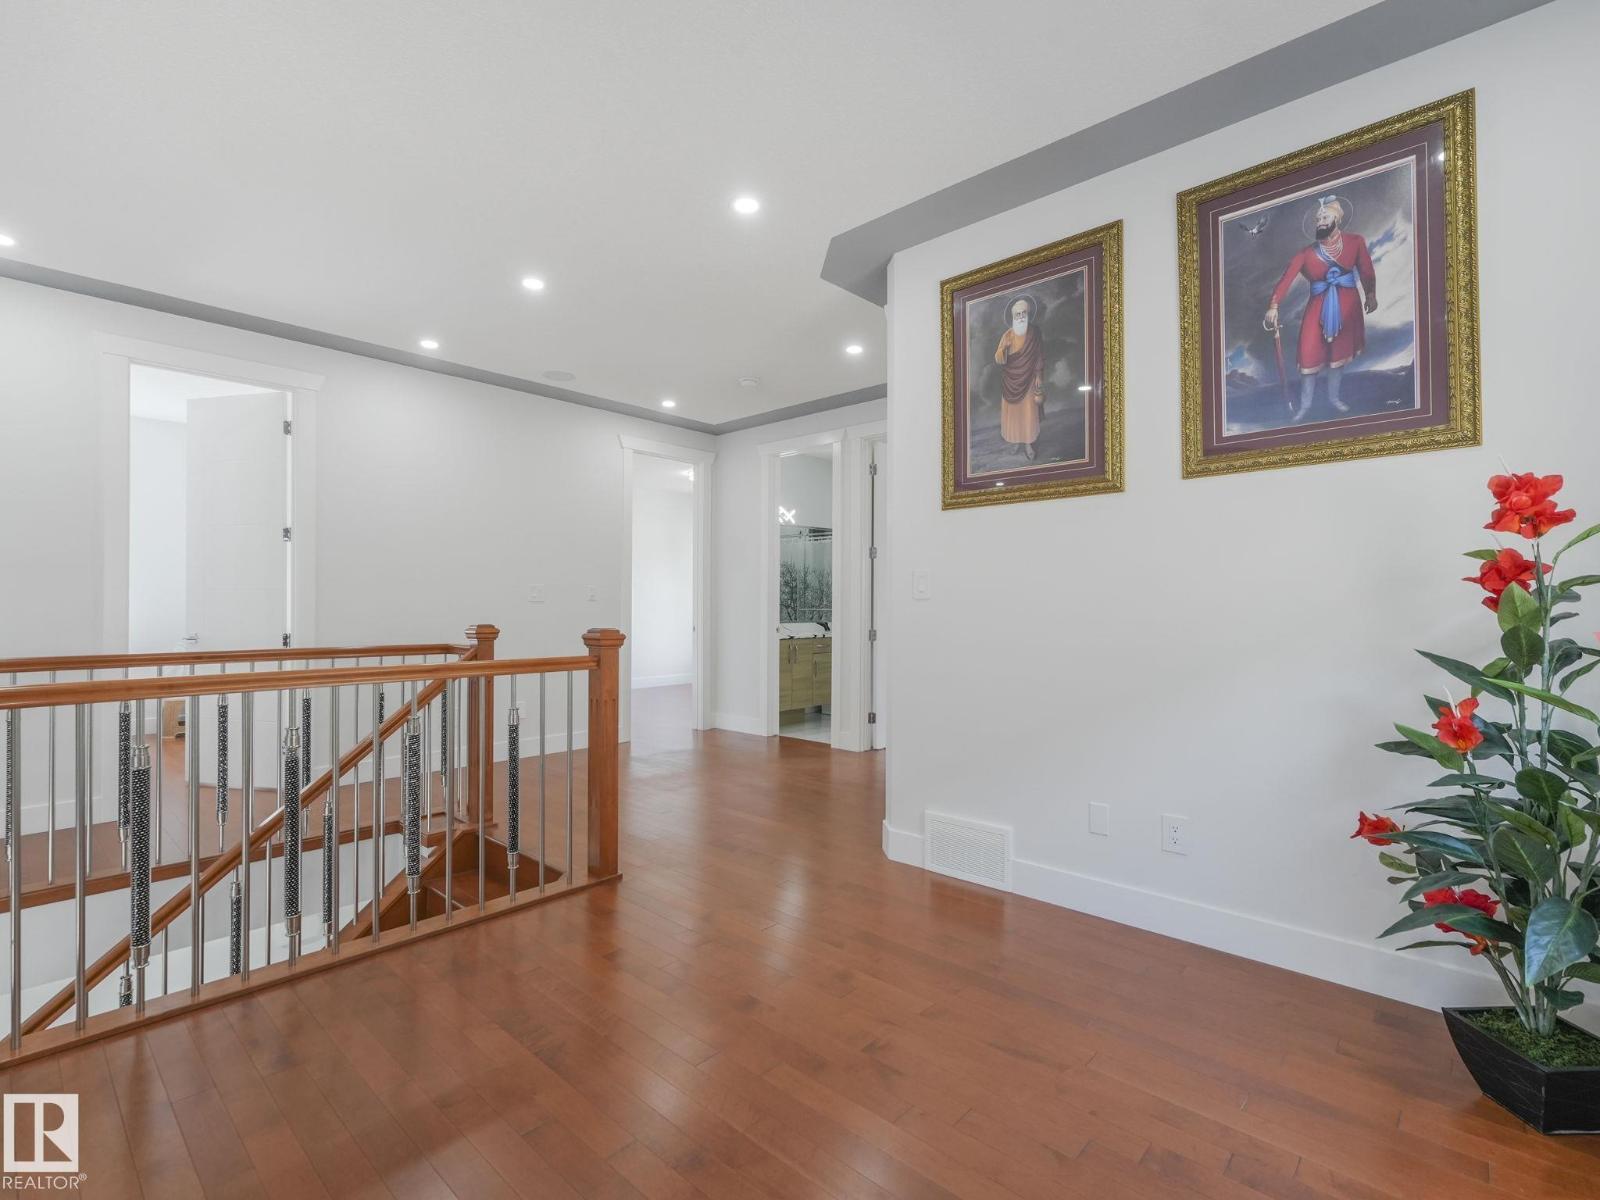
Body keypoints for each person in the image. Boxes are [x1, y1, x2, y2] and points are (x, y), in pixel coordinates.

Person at [1264, 196, 1377, 422]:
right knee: (1309, 354)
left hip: (1347, 305)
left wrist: (1371, 293)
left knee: (1338, 354)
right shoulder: (1306, 254)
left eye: (1325, 217)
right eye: (1318, 219)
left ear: (1337, 218)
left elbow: (1366, 269)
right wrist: (1274, 305)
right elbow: (1286, 279)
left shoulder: (1355, 241)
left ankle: (1333, 399)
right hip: (1317, 307)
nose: (1320, 222)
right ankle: (1305, 406)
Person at [993, 295, 1044, 459]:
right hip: (1011, 381)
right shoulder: (1007, 335)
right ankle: (1016, 441)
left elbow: (1039, 355)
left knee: (1028, 413)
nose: (1021, 317)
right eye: (1018, 314)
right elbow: (998, 358)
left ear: (1028, 314)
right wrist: (1004, 349)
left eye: (1023, 313)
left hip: (1029, 379)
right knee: (1014, 414)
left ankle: (1028, 444)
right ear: (1013, 317)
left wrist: (1038, 375)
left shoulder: (1034, 333)